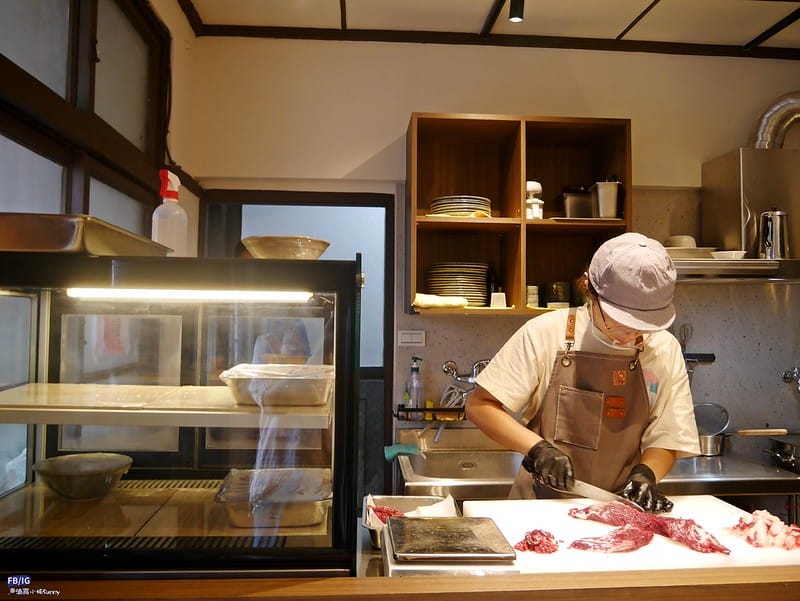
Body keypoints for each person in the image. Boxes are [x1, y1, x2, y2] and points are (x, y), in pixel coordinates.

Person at [465, 232, 700, 513]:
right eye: (621, 322)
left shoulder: (664, 348)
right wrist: (537, 449)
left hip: (619, 510)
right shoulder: (545, 333)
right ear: (589, 290)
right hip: (539, 508)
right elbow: (480, 406)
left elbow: (668, 434)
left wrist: (646, 474)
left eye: (645, 326)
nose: (631, 334)